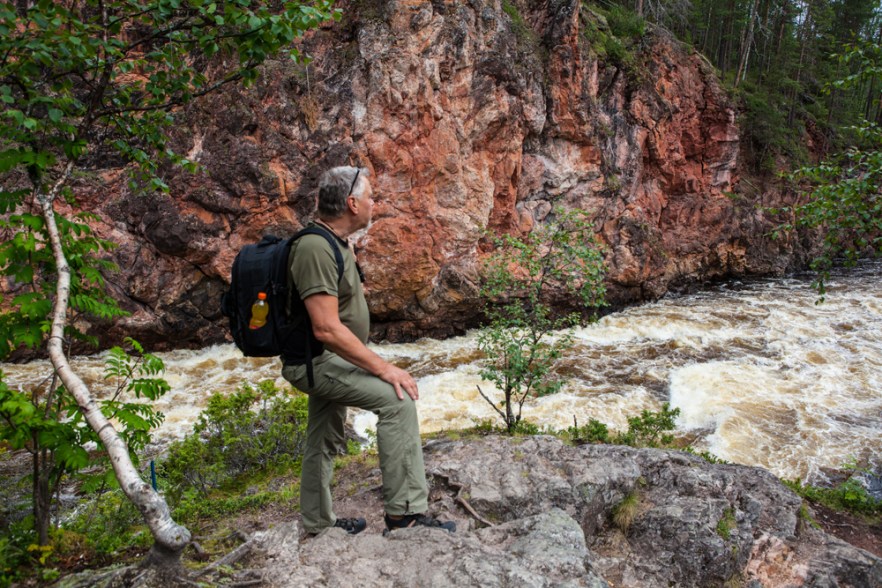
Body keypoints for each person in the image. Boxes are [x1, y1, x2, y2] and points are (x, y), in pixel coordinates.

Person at [281, 165, 455, 536]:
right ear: (351, 203)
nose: (375, 203)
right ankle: (404, 515)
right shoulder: (314, 247)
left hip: (329, 359)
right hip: (317, 361)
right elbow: (325, 327)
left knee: (323, 436)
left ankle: (317, 522)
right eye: (371, 196)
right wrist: (385, 369)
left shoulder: (336, 242)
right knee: (397, 401)